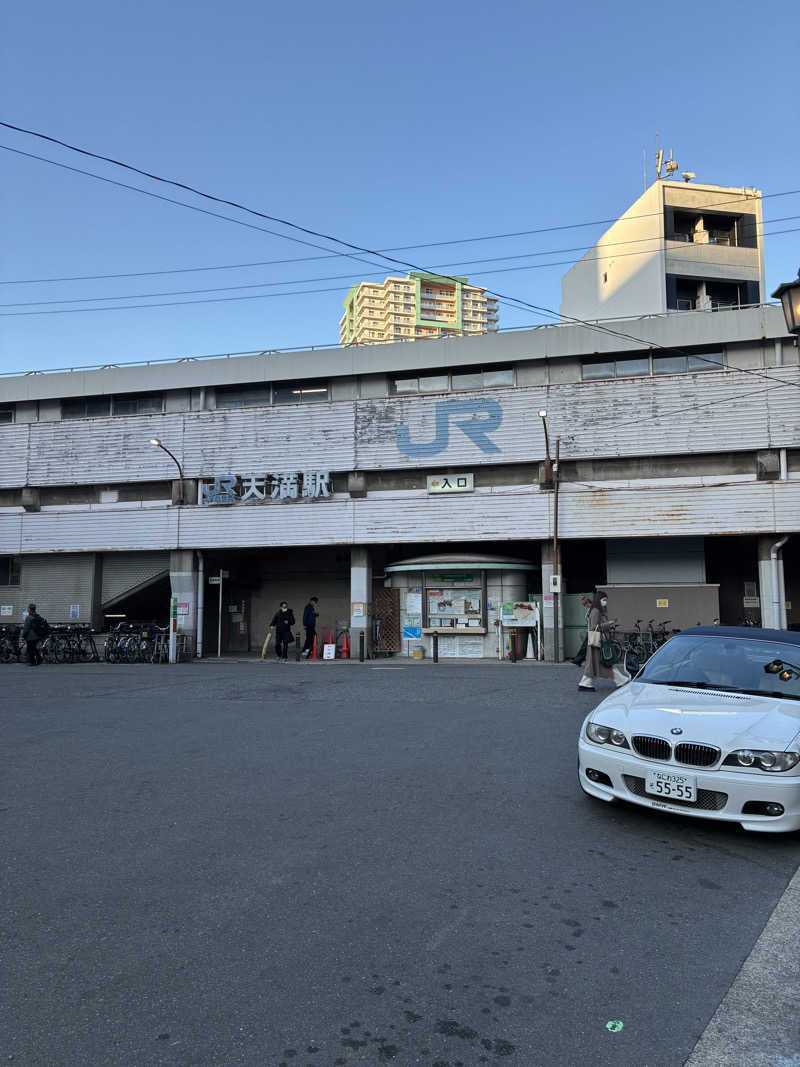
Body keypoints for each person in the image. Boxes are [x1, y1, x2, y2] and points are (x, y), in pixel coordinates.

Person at [578, 590, 629, 691]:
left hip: (597, 642)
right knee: (606, 661)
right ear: (599, 599)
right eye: (604, 600)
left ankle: (585, 683)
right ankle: (621, 680)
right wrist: (608, 623)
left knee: (597, 663)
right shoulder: (596, 611)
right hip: (598, 641)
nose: (605, 602)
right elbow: (594, 627)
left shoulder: (598, 610)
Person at [22, 602, 45, 667]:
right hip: (37, 635)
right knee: (34, 648)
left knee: (30, 649)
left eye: (28, 608)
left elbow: (26, 628)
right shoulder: (37, 616)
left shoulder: (29, 617)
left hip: (30, 636)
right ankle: (39, 659)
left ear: (30, 609)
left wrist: (23, 635)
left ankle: (33, 662)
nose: (27, 609)